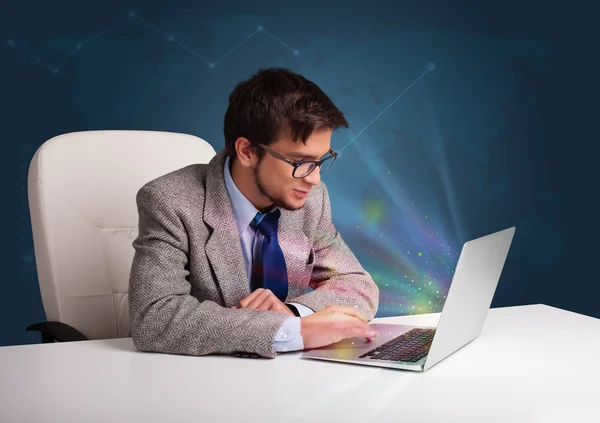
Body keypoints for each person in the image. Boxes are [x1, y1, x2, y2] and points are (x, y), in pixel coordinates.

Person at [129, 67, 380, 359]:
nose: (314, 179)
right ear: (247, 151)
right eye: (300, 162)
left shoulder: (311, 200)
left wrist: (292, 313)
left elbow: (357, 284)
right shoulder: (170, 201)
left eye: (321, 160)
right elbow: (154, 317)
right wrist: (292, 331)